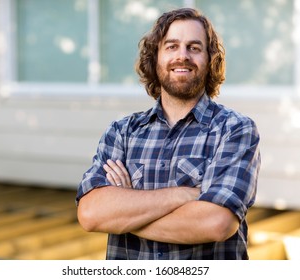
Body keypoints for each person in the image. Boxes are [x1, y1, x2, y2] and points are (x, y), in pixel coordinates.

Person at [76, 7, 261, 260]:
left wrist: (123, 213)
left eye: (194, 48)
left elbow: (216, 223)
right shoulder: (122, 132)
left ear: (210, 59)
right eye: (171, 46)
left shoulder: (235, 130)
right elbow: (91, 214)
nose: (182, 56)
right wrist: (186, 194)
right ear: (155, 57)